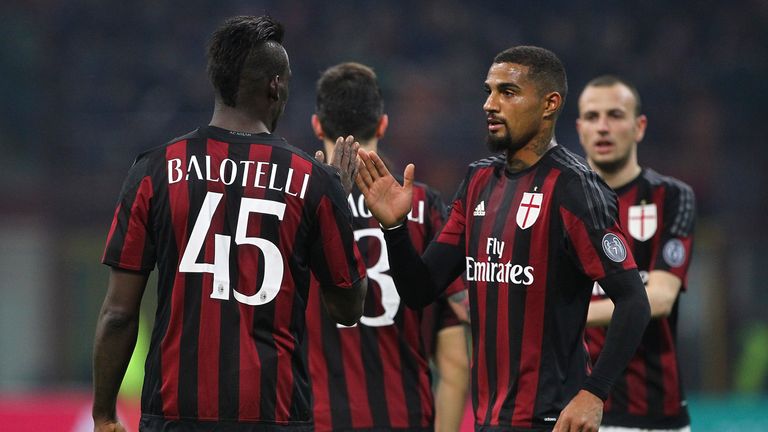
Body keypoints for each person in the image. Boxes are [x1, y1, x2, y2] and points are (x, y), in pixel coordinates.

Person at [354, 46, 652, 432]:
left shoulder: (575, 189)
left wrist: (594, 393)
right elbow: (419, 290)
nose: (489, 104)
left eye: (507, 92)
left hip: (551, 419)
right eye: (488, 91)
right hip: (488, 419)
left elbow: (634, 302)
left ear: (550, 104)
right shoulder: (478, 181)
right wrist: (394, 228)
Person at [92, 16, 368, 432]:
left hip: (174, 415)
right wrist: (338, 204)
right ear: (275, 85)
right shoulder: (313, 180)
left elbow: (117, 314)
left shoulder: (154, 170)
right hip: (275, 415)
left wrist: (104, 413)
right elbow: (348, 308)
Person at [306, 62, 470, 432]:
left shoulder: (297, 204)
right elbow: (456, 360)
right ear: (382, 124)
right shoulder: (425, 207)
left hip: (317, 420)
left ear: (318, 125)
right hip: (405, 417)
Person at [576, 75, 695, 432]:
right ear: (579, 128)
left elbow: (658, 299)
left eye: (615, 115)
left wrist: (556, 315)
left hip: (655, 414)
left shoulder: (672, 197)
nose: (603, 127)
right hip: (575, 408)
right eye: (593, 117)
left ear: (639, 126)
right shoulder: (560, 202)